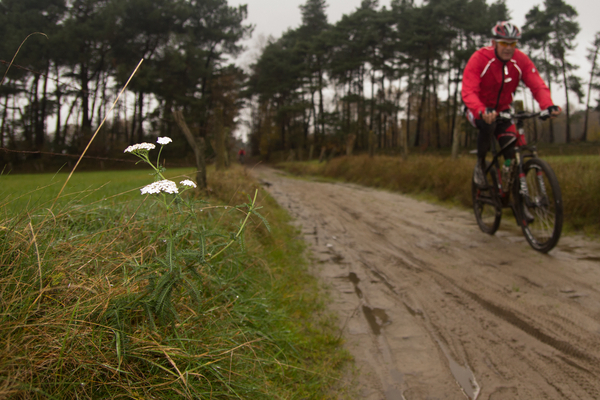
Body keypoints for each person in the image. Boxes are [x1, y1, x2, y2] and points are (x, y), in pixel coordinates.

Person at [461, 21, 561, 187]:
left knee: (511, 152)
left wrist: (548, 105)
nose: (508, 48)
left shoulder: (520, 60)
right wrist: (481, 110)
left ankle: (513, 193)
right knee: (489, 124)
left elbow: (537, 84)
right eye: (503, 43)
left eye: (512, 43)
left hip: (504, 110)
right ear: (494, 43)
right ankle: (480, 164)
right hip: (478, 109)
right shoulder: (480, 58)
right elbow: (469, 91)